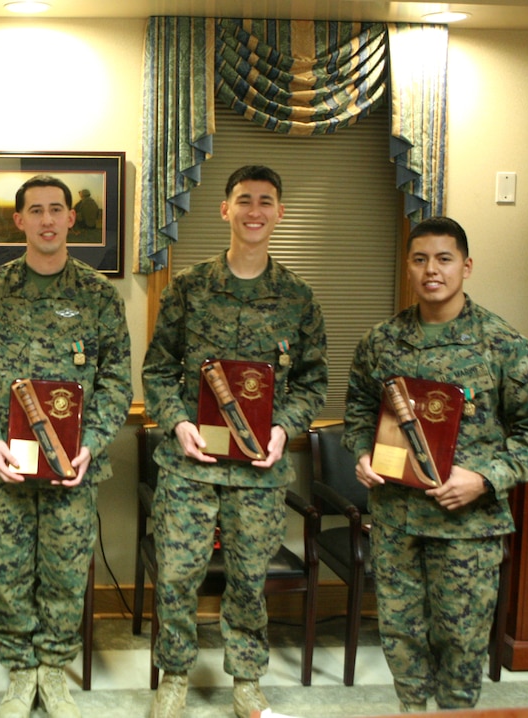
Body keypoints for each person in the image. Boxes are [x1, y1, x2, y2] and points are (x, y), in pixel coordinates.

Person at [342, 215, 528, 712]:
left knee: (461, 645)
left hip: (467, 526)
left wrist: (484, 478)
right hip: (397, 520)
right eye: (419, 259)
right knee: (401, 638)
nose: (431, 271)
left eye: (443, 259)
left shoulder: (503, 345)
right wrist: (362, 452)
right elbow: (359, 408)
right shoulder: (381, 342)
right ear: (409, 267)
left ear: (466, 265)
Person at [142, 165, 328, 718]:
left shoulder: (297, 298)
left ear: (279, 213)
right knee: (176, 575)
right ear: (224, 210)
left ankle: (246, 680)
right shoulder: (190, 289)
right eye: (244, 200)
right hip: (191, 464)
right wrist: (178, 422)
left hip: (259, 470)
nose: (254, 210)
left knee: (249, 578)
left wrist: (282, 429)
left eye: (265, 201)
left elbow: (314, 381)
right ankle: (174, 676)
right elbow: (157, 369)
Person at [0, 174, 132, 718]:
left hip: (71, 470)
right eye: (36, 210)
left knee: (63, 574)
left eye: (57, 209)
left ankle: (53, 671)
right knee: (8, 573)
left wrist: (92, 444)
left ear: (71, 219)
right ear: (20, 221)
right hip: (6, 467)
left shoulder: (99, 296)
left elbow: (118, 382)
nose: (48, 219)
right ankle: (20, 673)